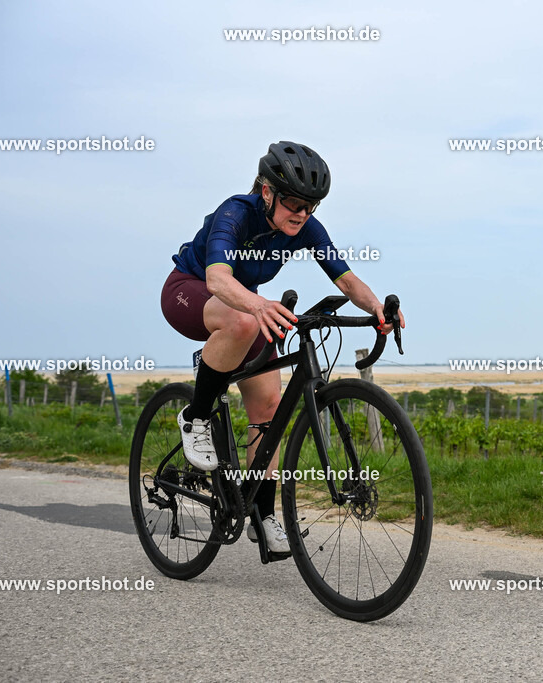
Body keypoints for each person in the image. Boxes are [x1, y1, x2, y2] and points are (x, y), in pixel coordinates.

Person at [160, 141, 403, 552]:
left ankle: (263, 514)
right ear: (267, 191)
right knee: (241, 320)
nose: (302, 214)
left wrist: (377, 307)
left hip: (246, 305)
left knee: (269, 411)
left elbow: (345, 279)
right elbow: (218, 280)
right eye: (293, 202)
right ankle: (196, 417)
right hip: (190, 291)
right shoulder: (235, 212)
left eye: (311, 206)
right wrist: (257, 304)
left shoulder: (305, 227)